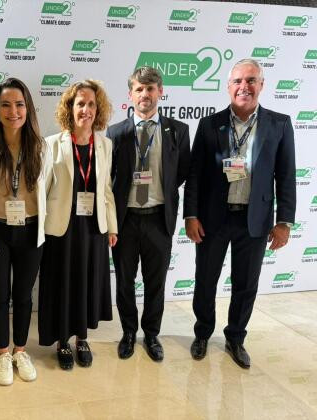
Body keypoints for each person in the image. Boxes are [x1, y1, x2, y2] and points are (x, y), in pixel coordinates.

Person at [184, 58, 296, 369]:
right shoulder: (209, 124)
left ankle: (235, 337)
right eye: (237, 81)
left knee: (246, 284)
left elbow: (286, 176)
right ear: (228, 86)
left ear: (261, 85)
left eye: (250, 80)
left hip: (255, 221)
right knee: (205, 280)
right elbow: (195, 175)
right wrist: (190, 215)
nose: (243, 87)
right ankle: (203, 333)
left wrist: (284, 222)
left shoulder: (279, 124)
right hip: (212, 219)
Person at [0, 78, 52, 385]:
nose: (13, 111)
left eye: (19, 104)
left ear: (28, 108)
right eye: (5, 105)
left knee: (23, 296)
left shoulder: (41, 148)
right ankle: (3, 354)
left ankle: (20, 350)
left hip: (31, 231)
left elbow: (48, 190)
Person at [107, 66, 190, 362]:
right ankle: (129, 332)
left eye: (151, 88)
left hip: (158, 219)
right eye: (139, 89)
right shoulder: (116, 133)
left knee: (156, 282)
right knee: (125, 281)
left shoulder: (178, 131)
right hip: (126, 220)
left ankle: (151, 334)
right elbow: (110, 179)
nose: (145, 94)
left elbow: (181, 174)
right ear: (130, 94)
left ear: (160, 92)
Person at [39, 79, 117, 370]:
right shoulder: (51, 144)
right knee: (63, 283)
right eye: (80, 103)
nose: (86, 109)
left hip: (92, 228)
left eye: (91, 104)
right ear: (70, 108)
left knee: (87, 282)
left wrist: (112, 227)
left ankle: (82, 338)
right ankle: (62, 341)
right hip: (61, 228)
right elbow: (42, 191)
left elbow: (106, 189)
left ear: (99, 109)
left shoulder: (105, 145)